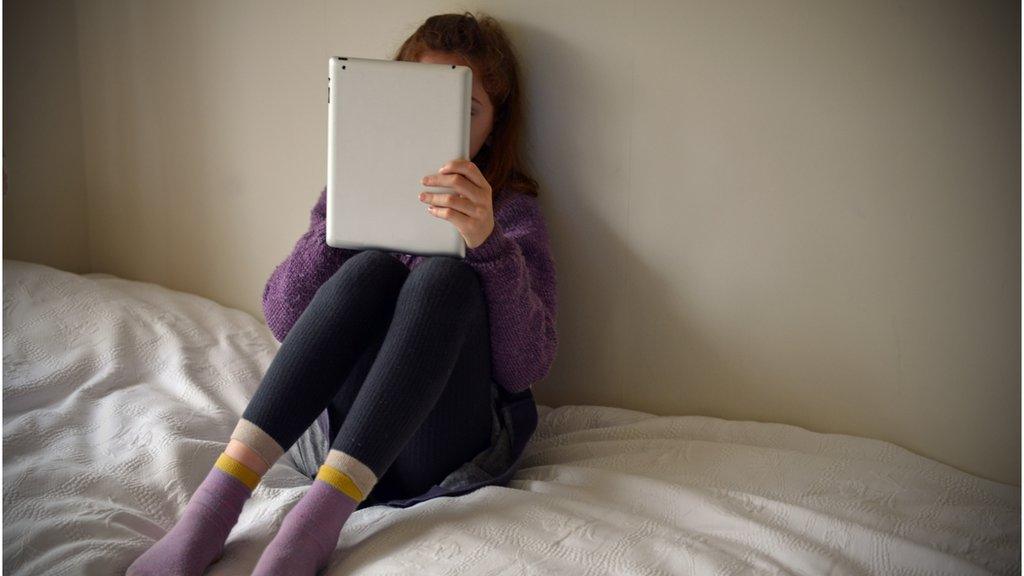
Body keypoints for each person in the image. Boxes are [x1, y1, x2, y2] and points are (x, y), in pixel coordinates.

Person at [127, 11, 558, 576]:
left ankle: (315, 523)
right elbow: (282, 316)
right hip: (338, 437)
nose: (444, 129)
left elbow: (525, 365)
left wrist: (487, 244)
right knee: (372, 269)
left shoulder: (511, 213)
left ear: (494, 126)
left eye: (466, 111)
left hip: (440, 442)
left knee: (442, 278)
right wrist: (342, 218)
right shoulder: (354, 191)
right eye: (424, 107)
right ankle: (214, 508)